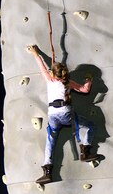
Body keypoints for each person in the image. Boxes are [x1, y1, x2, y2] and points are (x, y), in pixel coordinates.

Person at [26, 43, 94, 184]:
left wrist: (35, 53)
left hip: (53, 115)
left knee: (50, 141)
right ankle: (85, 151)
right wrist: (89, 81)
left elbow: (42, 66)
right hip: (67, 114)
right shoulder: (68, 82)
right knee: (89, 126)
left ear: (53, 73)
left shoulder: (50, 80)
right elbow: (84, 90)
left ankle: (48, 171)